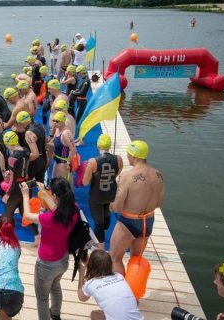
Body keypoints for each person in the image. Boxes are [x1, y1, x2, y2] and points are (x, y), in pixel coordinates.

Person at [22, 178, 78, 320]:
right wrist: (45, 193)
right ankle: (55, 314)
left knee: (42, 298)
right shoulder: (73, 210)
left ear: (55, 196)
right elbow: (57, 208)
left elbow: (28, 216)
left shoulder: (49, 218)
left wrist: (25, 195)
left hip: (46, 265)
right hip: (63, 260)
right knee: (55, 287)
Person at [109, 140, 165, 275]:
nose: (127, 157)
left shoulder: (127, 176)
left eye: (128, 154)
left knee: (115, 259)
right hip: (148, 221)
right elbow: (159, 204)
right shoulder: (158, 175)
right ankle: (134, 291)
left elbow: (116, 207)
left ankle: (120, 292)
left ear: (134, 156)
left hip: (129, 222)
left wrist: (109, 204)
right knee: (136, 260)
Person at [82, 134, 123, 250]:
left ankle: (100, 247)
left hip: (97, 194)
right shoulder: (118, 159)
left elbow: (85, 182)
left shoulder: (93, 162)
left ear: (98, 145)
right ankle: (103, 234)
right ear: (109, 145)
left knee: (98, 222)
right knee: (106, 214)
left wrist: (92, 177)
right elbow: (117, 173)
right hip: (110, 193)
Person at [77, 249, 143, 320]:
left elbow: (82, 298)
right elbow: (135, 301)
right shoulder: (119, 276)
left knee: (94, 314)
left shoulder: (91, 284)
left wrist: (82, 272)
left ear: (91, 265)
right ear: (110, 264)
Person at [1, 131, 40, 244]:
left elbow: (12, 179)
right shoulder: (25, 150)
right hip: (26, 184)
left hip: (17, 188)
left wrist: (7, 193)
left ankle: (7, 239)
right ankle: (37, 236)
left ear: (8, 144)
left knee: (8, 215)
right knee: (25, 213)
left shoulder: (12, 158)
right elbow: (23, 168)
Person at [12, 111, 47, 184]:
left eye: (19, 123)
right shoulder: (38, 125)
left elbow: (35, 154)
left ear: (22, 122)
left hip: (35, 162)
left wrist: (22, 160)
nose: (18, 125)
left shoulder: (29, 133)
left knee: (27, 184)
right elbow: (45, 141)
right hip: (43, 158)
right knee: (40, 184)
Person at [49, 111, 76, 181]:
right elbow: (55, 143)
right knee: (54, 184)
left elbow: (73, 150)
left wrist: (68, 162)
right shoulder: (57, 130)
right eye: (53, 120)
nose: (54, 123)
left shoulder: (66, 134)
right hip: (57, 161)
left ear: (62, 122)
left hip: (63, 163)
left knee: (62, 187)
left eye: (57, 121)